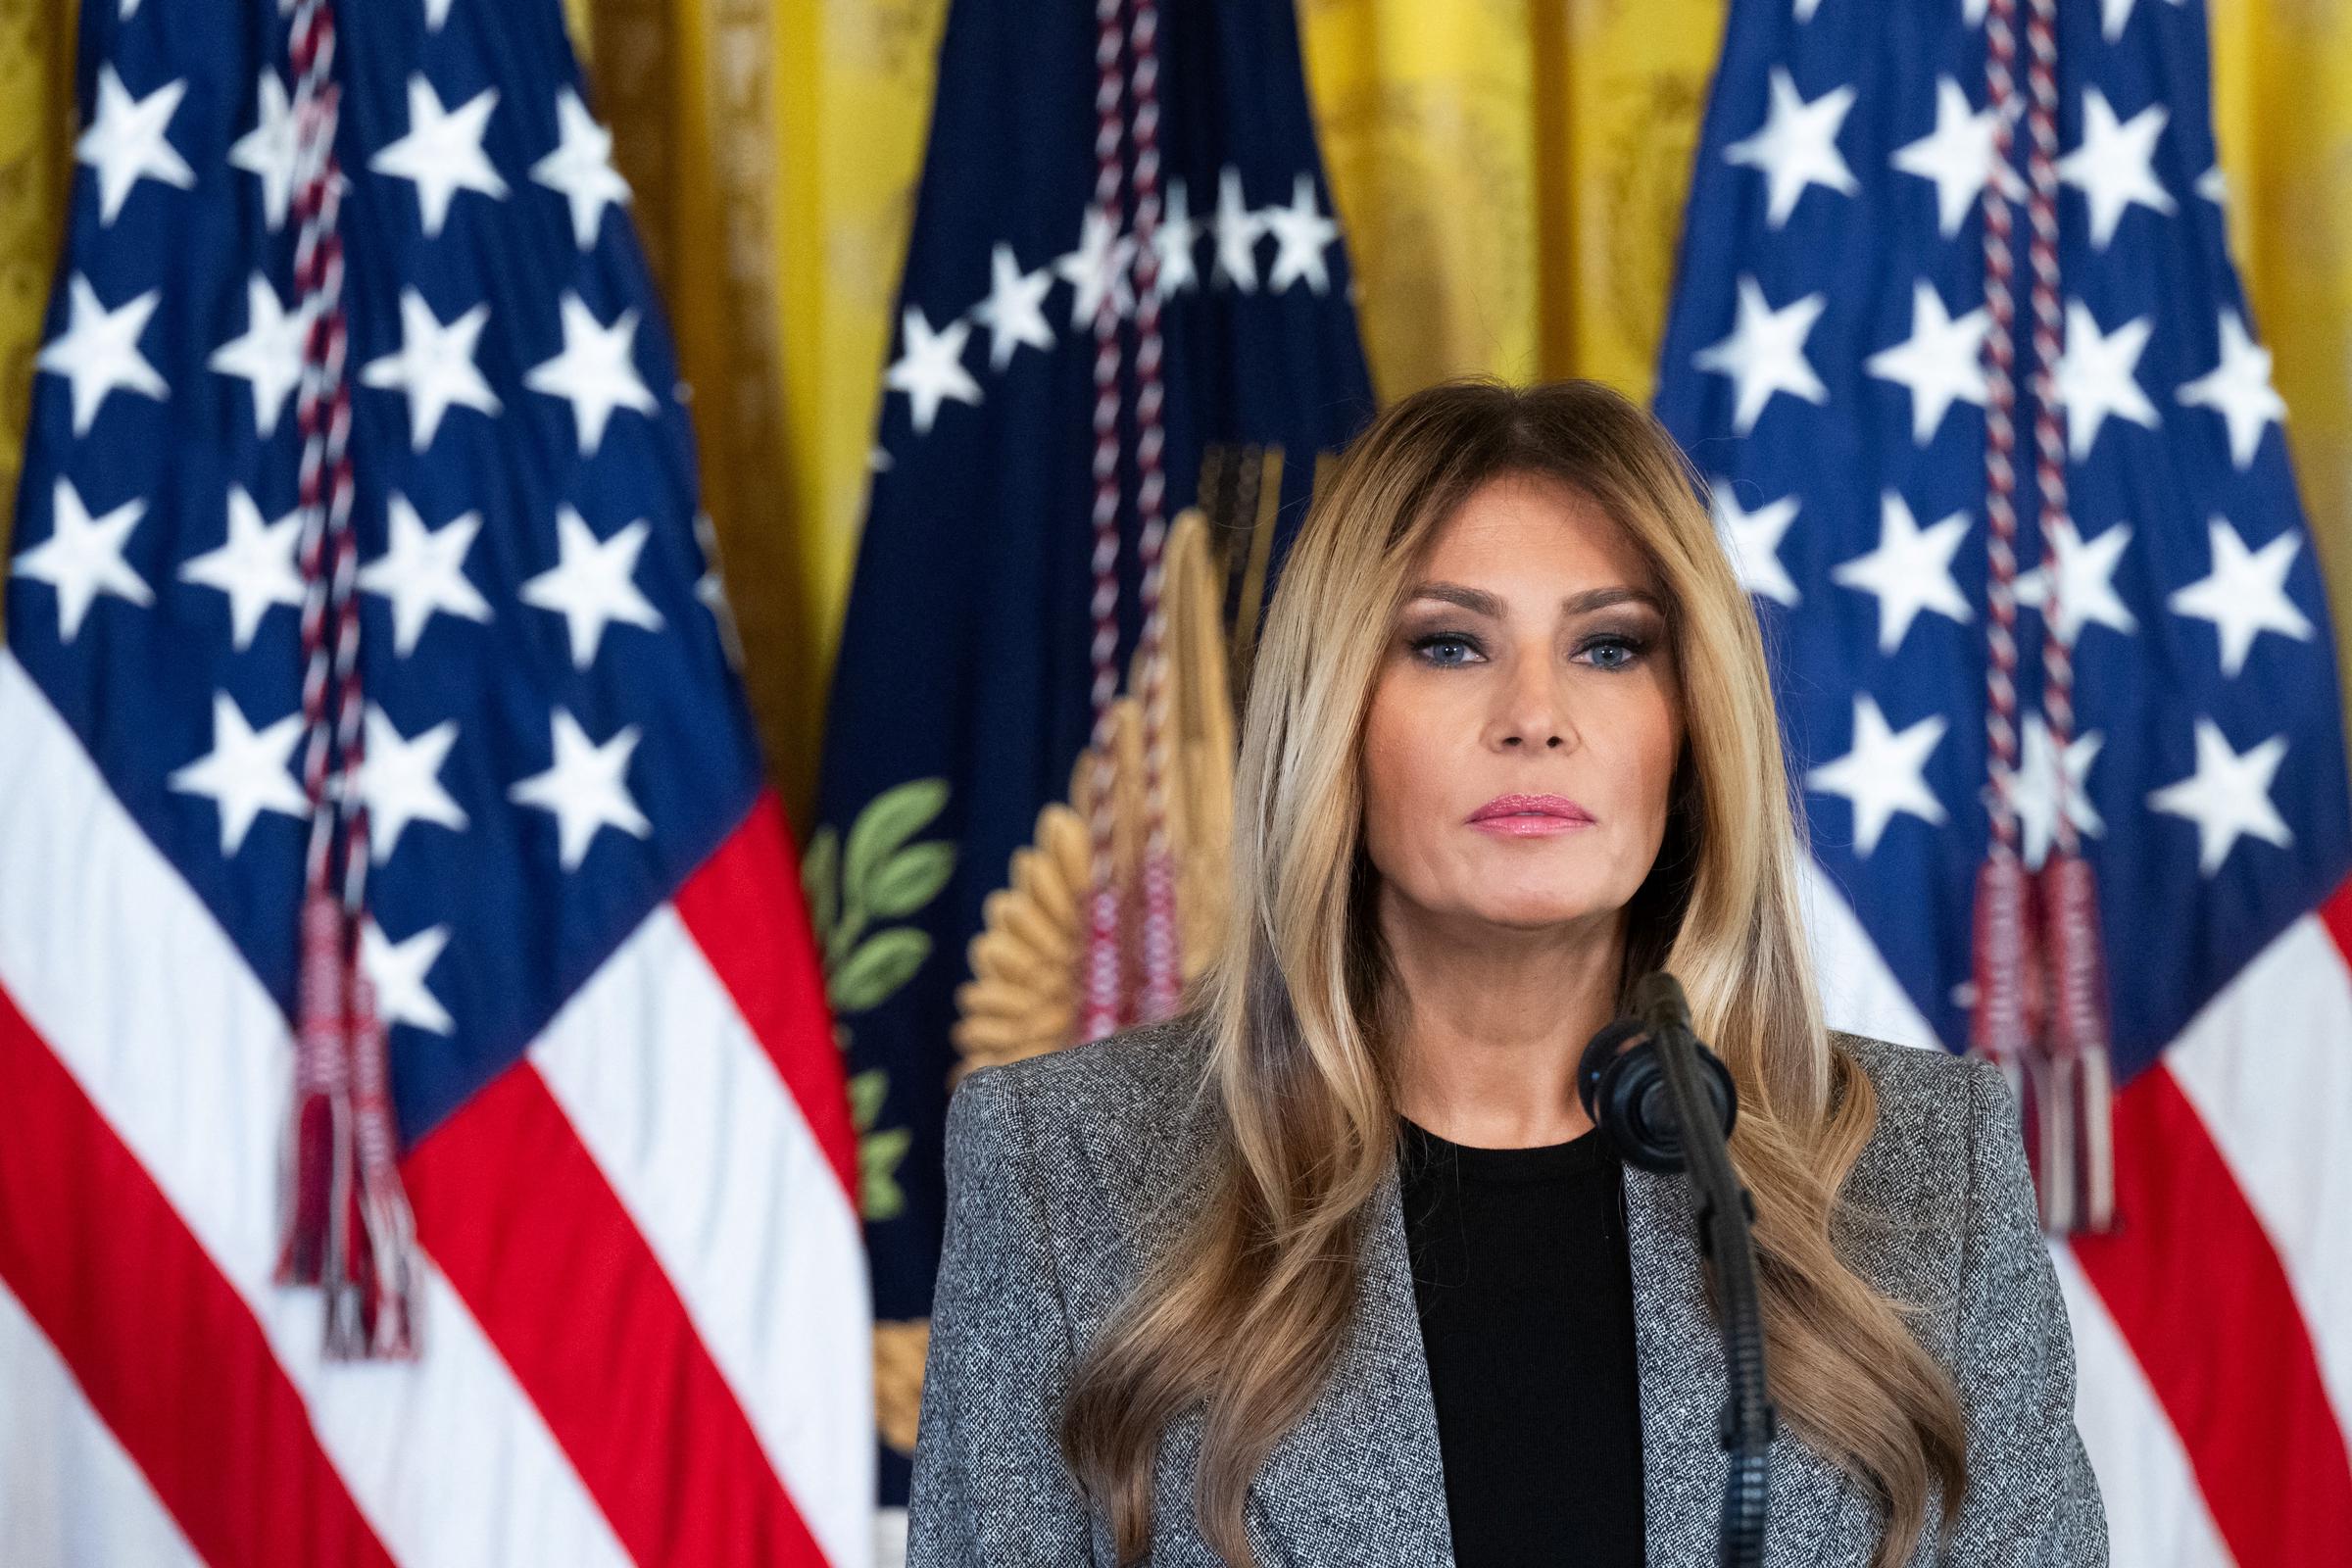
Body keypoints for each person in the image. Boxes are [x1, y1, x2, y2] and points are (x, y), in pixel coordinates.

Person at [904, 378, 2106, 1568]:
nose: (1535, 715)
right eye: (1448, 643)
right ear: (1335, 718)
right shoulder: (1064, 1171)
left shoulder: (1925, 1167)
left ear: (1688, 733)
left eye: (1608, 646)